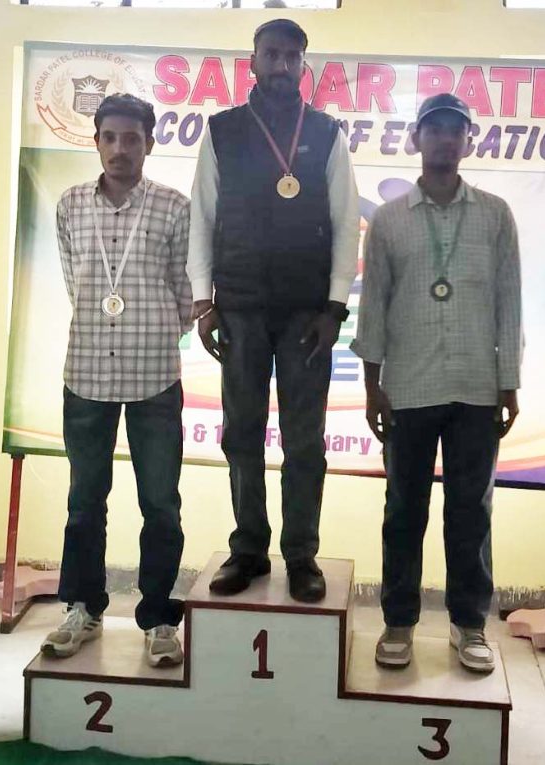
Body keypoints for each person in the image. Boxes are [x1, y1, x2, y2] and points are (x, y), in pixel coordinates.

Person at [187, 18, 360, 603]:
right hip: (239, 308)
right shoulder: (223, 130)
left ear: (304, 66)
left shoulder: (327, 133)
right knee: (241, 432)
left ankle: (302, 555)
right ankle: (248, 549)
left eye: (292, 56)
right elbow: (202, 215)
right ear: (253, 61)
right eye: (271, 54)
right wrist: (204, 300)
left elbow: (346, 222)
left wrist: (335, 307)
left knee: (305, 439)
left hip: (307, 313)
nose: (281, 65)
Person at [351, 94, 522, 674]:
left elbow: (509, 302)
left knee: (471, 511)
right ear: (416, 140)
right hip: (408, 387)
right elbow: (373, 304)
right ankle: (399, 621)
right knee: (404, 509)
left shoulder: (495, 214)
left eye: (456, 130)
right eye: (435, 130)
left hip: (477, 387)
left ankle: (468, 624)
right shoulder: (390, 219)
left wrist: (509, 383)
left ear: (469, 141)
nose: (446, 139)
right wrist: (372, 385)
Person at [41, 94, 192, 666]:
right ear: (96, 141)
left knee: (161, 504)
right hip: (86, 374)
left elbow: (185, 292)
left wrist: (151, 329)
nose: (120, 148)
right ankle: (82, 607)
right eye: (110, 137)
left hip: (154, 375)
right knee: (84, 502)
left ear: (149, 143)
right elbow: (74, 281)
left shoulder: (174, 208)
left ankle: (159, 617)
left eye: (132, 138)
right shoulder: (70, 204)